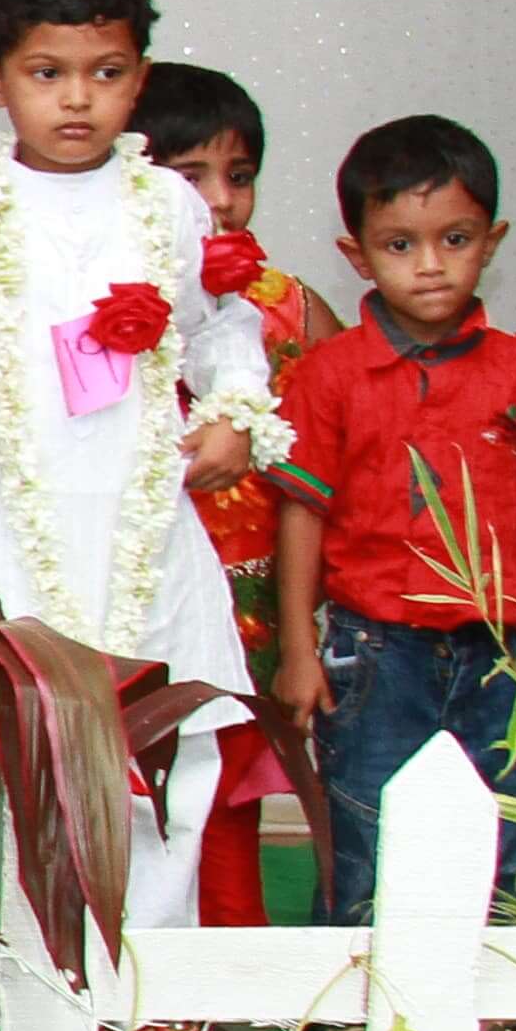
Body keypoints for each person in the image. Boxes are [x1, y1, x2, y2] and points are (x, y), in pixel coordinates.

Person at [0, 0, 286, 931]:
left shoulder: (170, 206)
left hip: (136, 522)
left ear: (139, 79)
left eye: (105, 74)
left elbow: (227, 330)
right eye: (46, 73)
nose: (76, 99)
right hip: (0, 525)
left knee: (166, 752)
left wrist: (234, 412)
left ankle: (147, 965)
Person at [268, 116, 516, 926]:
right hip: (376, 649)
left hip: (507, 647)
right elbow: (302, 514)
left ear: (491, 241)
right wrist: (299, 650)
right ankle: (357, 979)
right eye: (400, 245)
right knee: (367, 820)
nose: (430, 265)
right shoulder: (329, 376)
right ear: (358, 255)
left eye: (454, 239)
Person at [137, 60, 342, 923]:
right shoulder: (96, 303)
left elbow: (337, 466)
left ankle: (221, 969)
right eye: (192, 177)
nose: (222, 201)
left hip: (251, 608)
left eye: (241, 174)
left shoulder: (288, 310)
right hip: (129, 603)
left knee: (222, 797)